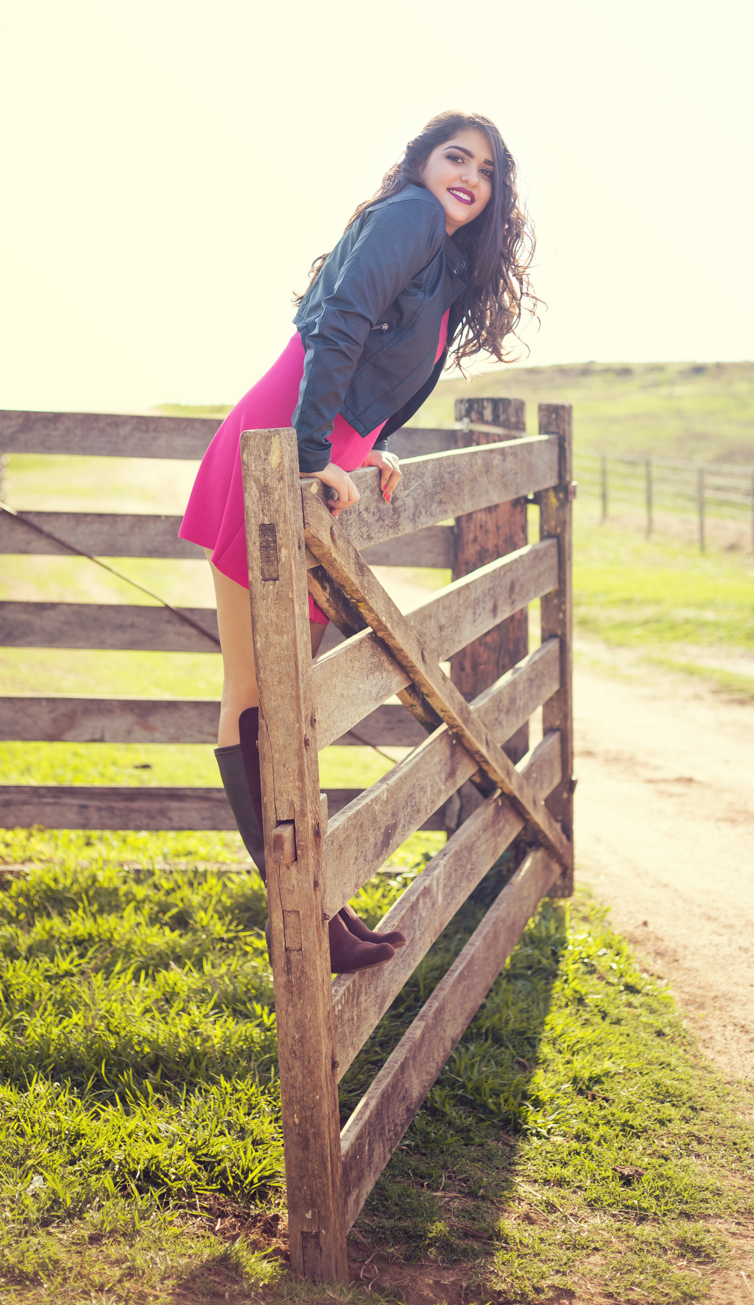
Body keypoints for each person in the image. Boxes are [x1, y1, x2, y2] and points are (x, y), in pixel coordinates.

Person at [178, 111, 537, 972]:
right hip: (278, 450)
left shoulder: (442, 258)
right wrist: (311, 458)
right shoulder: (410, 216)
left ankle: (322, 903)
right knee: (255, 693)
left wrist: (365, 444)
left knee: (281, 698)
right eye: (456, 157)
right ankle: (309, 911)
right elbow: (338, 326)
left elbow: (375, 359)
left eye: (486, 170)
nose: (470, 176)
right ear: (420, 164)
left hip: (306, 452)